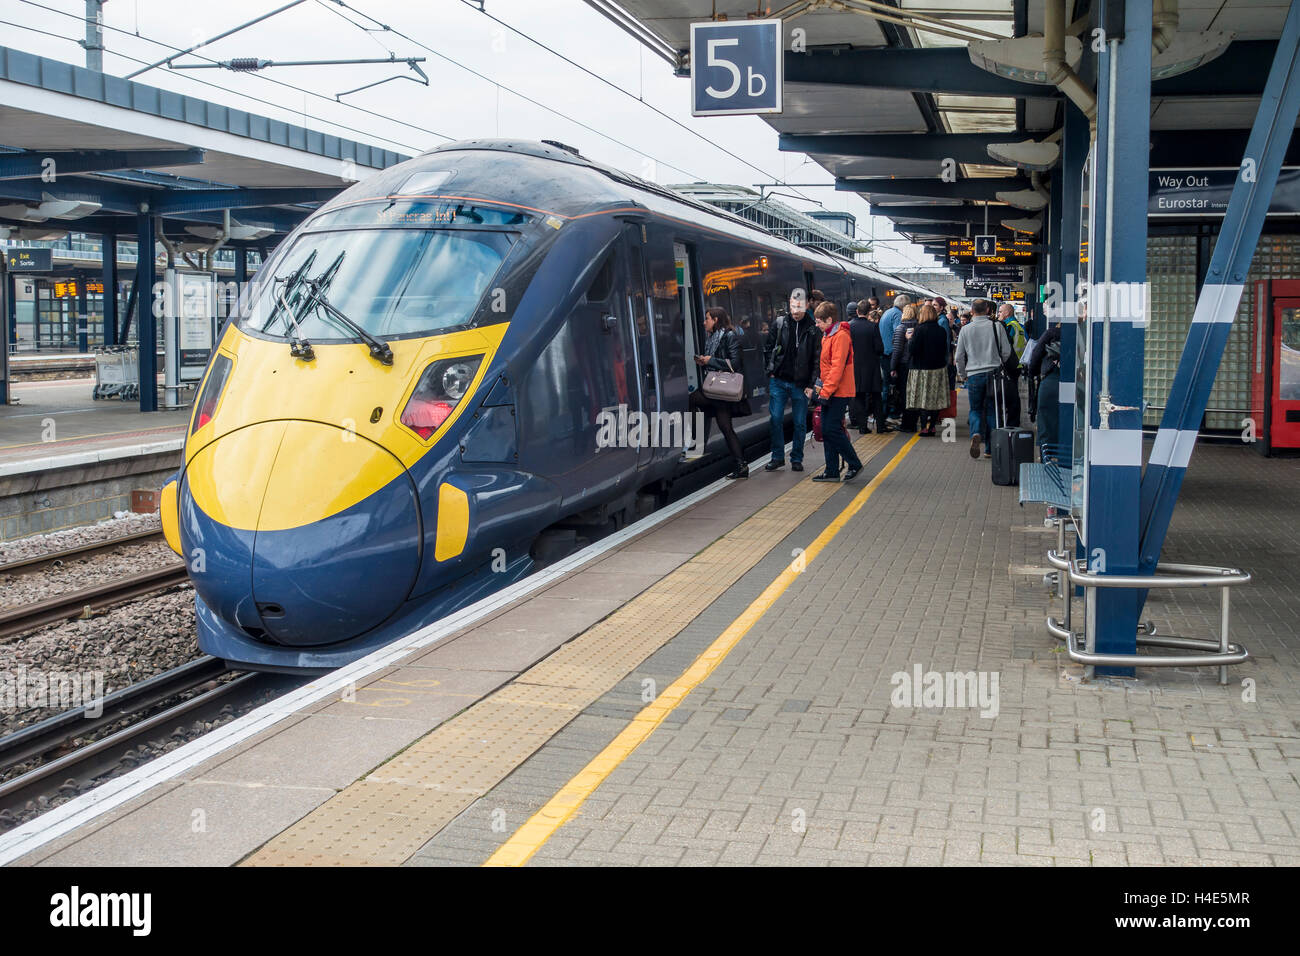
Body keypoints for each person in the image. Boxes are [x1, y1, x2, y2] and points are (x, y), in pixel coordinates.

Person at [762, 289, 821, 472]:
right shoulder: (780, 324)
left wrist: (811, 384)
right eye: (793, 307)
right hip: (779, 380)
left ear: (806, 306)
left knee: (800, 422)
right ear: (789, 305)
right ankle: (778, 457)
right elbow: (768, 348)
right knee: (776, 418)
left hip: (801, 384)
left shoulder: (812, 328)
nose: (796, 311)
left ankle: (797, 458)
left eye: (800, 307)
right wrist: (770, 370)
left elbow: (816, 360)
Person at [690, 307, 751, 479]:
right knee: (726, 428)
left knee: (693, 399)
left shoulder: (729, 336)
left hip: (722, 391)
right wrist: (705, 361)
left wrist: (712, 361)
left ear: (716, 320)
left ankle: (694, 437)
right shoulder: (713, 338)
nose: (704, 322)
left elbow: (735, 363)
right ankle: (741, 465)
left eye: (707, 318)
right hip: (717, 391)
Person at [805, 302, 862, 482]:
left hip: (839, 391)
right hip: (830, 390)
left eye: (819, 321)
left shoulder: (841, 337)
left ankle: (854, 463)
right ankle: (832, 470)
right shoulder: (828, 335)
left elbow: (837, 368)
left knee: (831, 429)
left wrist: (825, 391)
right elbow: (826, 368)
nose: (816, 324)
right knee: (827, 429)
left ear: (829, 319)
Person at [955, 299, 1013, 459]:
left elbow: (959, 356)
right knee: (993, 410)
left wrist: (963, 374)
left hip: (974, 375)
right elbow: (1006, 352)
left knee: (975, 409)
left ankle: (975, 433)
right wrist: (998, 362)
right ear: (988, 309)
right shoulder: (997, 326)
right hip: (994, 374)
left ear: (972, 311)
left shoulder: (965, 330)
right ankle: (990, 448)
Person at [903, 304, 952, 437]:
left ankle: (924, 427)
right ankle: (932, 427)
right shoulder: (941, 330)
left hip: (921, 370)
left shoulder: (919, 330)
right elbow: (944, 350)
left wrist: (909, 339)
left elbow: (913, 350)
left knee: (923, 399)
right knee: (935, 399)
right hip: (938, 369)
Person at [1027, 319, 1062, 460]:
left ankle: (1046, 459)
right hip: (1079, 385)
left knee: (1046, 424)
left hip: (1050, 382)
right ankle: (1065, 459)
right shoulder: (1085, 333)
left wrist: (1032, 374)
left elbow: (1035, 356)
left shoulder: (1053, 333)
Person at [848, 300, 885, 434]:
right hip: (872, 368)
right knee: (876, 397)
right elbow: (880, 348)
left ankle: (863, 428)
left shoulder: (849, 326)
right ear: (869, 311)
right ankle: (880, 426)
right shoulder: (873, 327)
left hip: (855, 368)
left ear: (857, 311)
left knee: (858, 397)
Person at [889, 303, 920, 432]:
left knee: (904, 395)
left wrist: (892, 367)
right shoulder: (919, 328)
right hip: (917, 365)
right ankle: (913, 422)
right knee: (914, 395)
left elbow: (897, 350)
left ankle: (907, 425)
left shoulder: (900, 329)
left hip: (904, 366)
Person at [997, 301, 1028, 427]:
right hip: (1017, 365)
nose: (998, 314)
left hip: (1009, 365)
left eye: (1000, 312)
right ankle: (1014, 421)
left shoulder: (1009, 326)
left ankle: (1010, 422)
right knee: (1014, 395)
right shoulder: (1019, 326)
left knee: (1007, 396)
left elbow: (1004, 345)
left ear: (1007, 313)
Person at [879, 294, 909, 423]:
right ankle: (892, 413)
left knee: (886, 386)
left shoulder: (887, 312)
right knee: (894, 387)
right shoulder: (897, 315)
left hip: (884, 355)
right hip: (892, 356)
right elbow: (898, 336)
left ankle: (883, 413)